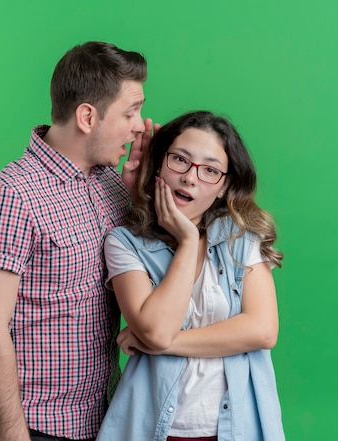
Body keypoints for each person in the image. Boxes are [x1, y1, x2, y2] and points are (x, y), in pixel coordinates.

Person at [0, 41, 158, 441]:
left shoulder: (110, 184)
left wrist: (138, 196)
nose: (140, 125)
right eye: (130, 112)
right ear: (87, 116)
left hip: (106, 416)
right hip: (39, 428)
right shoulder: (11, 197)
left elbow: (139, 273)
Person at [96, 110, 286, 441]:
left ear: (224, 185)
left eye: (210, 170)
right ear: (158, 165)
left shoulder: (240, 237)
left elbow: (263, 330)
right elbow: (155, 330)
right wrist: (186, 241)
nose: (190, 177)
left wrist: (159, 344)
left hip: (236, 428)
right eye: (179, 160)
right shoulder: (125, 244)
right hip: (151, 425)